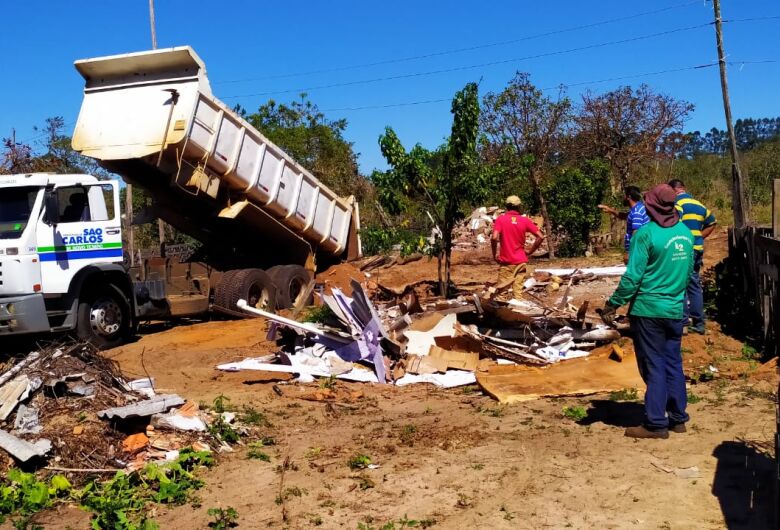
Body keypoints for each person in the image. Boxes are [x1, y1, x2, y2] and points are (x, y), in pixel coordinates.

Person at [601, 184, 694, 439]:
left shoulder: (645, 235)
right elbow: (688, 272)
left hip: (648, 311)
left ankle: (655, 423)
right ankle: (678, 418)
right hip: (675, 309)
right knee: (673, 362)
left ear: (651, 206)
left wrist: (613, 304)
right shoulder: (685, 233)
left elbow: (633, 277)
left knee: (653, 366)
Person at [668, 179, 717, 335]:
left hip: (683, 250)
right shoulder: (699, 205)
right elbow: (712, 222)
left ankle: (683, 323)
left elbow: (673, 225)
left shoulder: (677, 204)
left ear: (673, 190)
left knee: (680, 284)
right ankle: (699, 323)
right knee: (694, 285)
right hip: (697, 248)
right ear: (683, 188)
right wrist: (700, 236)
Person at [491, 195, 545, 300]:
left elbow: (494, 237)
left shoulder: (501, 219)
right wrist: (530, 251)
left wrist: (494, 254)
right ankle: (518, 308)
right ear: (519, 206)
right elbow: (541, 236)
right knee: (518, 294)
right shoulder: (524, 220)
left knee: (502, 293)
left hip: (506, 262)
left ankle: (503, 308)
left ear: (506, 206)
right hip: (521, 262)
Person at [598, 186, 649, 263]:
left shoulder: (636, 212)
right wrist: (610, 210)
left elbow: (636, 233)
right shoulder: (638, 207)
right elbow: (625, 216)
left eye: (624, 195)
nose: (623, 197)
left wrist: (630, 253)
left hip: (637, 252)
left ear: (629, 197)